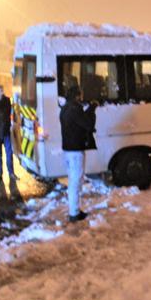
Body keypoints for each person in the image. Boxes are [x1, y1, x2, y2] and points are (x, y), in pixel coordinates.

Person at [60, 85, 97, 222]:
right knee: (75, 182)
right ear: (76, 95)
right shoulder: (74, 109)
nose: (81, 97)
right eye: (80, 95)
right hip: (75, 151)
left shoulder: (65, 108)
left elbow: (79, 122)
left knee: (73, 180)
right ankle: (74, 213)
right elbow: (88, 124)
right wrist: (92, 109)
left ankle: (74, 209)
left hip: (68, 149)